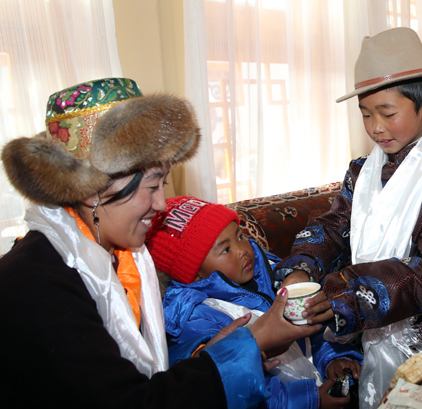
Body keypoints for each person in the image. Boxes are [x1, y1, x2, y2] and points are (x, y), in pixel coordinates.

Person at [0, 78, 320, 408]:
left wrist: (209, 356)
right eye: (152, 187)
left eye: (163, 184)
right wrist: (254, 340)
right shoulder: (35, 284)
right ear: (91, 189)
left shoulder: (123, 259)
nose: (161, 205)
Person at [274, 27, 422, 408]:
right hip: (365, 330)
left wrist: (348, 292)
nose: (375, 127)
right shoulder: (361, 171)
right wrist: (301, 268)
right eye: (366, 114)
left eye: (387, 113)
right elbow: (335, 226)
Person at [145, 196, 363, 409]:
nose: (242, 250)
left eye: (240, 236)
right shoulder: (196, 317)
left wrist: (333, 358)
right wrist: (310, 400)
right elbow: (238, 387)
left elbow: (309, 325)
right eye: (226, 249)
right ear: (195, 274)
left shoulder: (268, 269)